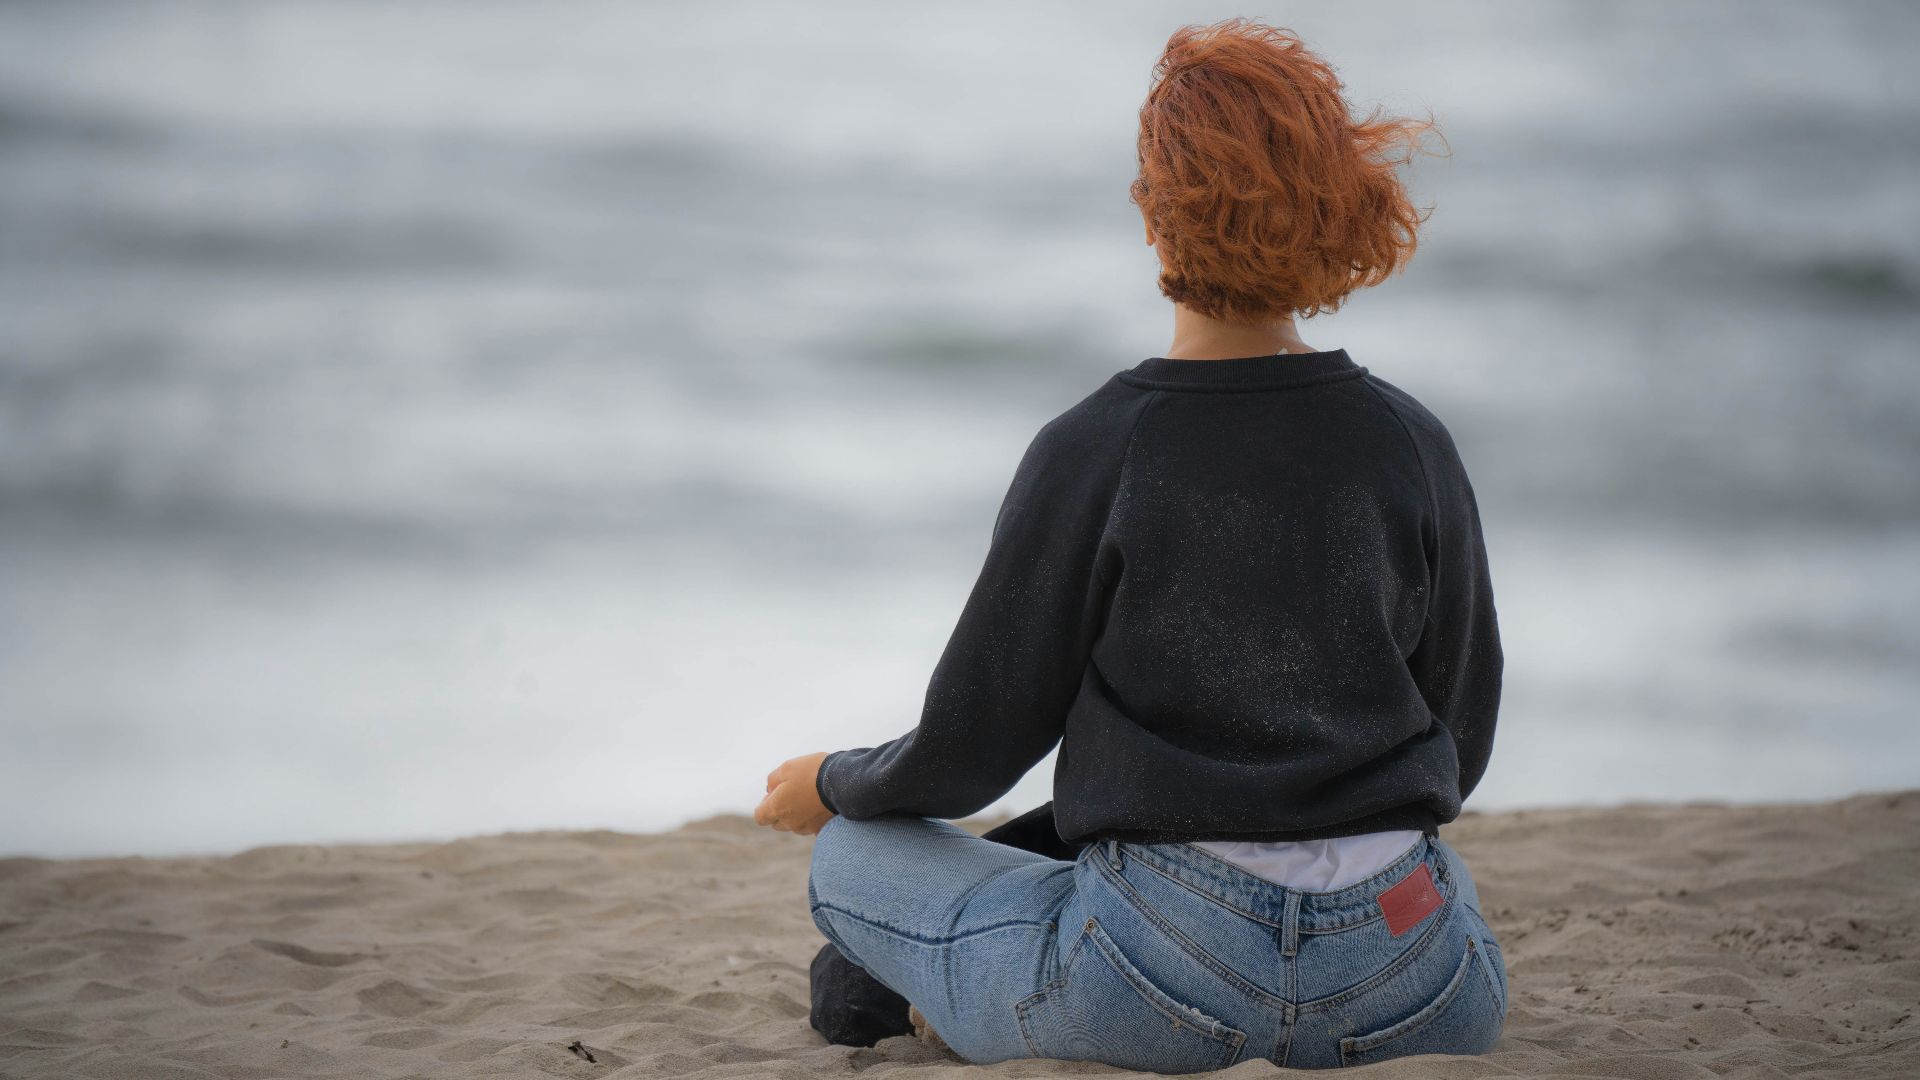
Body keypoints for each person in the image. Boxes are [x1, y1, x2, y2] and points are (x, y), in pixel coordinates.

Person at [754, 17, 1507, 1071]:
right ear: (1341, 206)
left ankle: (945, 995)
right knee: (1441, 882)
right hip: (1416, 986)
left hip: (1162, 981)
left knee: (854, 861)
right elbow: (1458, 736)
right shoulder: (1411, 442)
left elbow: (974, 746)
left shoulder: (1098, 447)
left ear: (1155, 211)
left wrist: (834, 783)